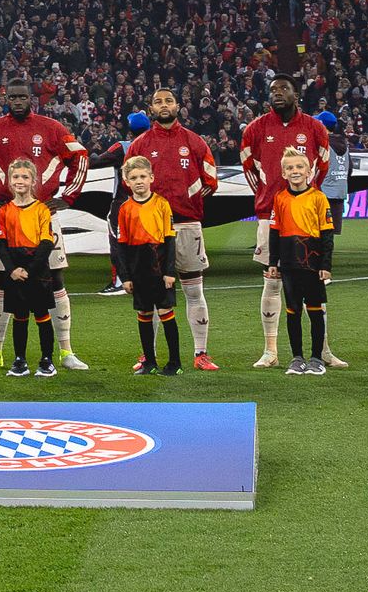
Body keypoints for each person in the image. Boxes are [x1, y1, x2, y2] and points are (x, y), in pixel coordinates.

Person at [0, 79, 81, 374]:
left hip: (44, 215)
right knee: (2, 283)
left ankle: (66, 351)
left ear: (31, 98)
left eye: (23, 96)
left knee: (55, 282)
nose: (18, 101)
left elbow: (79, 156)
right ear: (6, 98)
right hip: (7, 217)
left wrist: (68, 197)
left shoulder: (51, 128)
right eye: (13, 96)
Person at [240, 78, 340, 372]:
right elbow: (248, 165)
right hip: (271, 215)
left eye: (283, 89)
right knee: (272, 281)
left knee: (315, 286)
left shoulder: (313, 127)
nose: (277, 94)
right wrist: (266, 195)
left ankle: (323, 351)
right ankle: (270, 350)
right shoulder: (256, 128)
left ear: (296, 94)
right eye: (272, 90)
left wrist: (307, 195)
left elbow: (322, 164)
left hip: (307, 215)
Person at [137, 87, 222, 372]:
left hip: (186, 225)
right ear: (151, 107)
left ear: (178, 106)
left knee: (193, 289)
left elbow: (211, 179)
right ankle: (149, 355)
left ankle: (201, 353)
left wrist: (188, 198)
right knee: (155, 293)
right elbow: (129, 181)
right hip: (151, 229)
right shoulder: (141, 144)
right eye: (158, 101)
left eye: (168, 101)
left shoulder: (194, 142)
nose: (164, 105)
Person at [0, 155, 76, 376]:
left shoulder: (41, 210)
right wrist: (12, 270)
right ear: (9, 181)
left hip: (37, 270)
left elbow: (46, 244)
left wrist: (30, 269)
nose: (20, 181)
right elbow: (1, 244)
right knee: (20, 316)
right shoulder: (5, 211)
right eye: (16, 176)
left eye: (25, 177)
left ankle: (46, 360)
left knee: (41, 314)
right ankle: (20, 360)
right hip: (15, 269)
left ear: (33, 181)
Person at [265, 141, 338, 376]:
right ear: (283, 173)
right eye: (290, 168)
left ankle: (316, 358)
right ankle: (297, 357)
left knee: (316, 311)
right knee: (293, 311)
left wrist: (326, 265)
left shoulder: (318, 198)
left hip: (313, 264)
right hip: (288, 264)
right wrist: (272, 263)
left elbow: (327, 234)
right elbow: (274, 232)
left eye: (299, 167)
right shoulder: (280, 198)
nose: (295, 171)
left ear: (309, 172)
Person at [109, 151, 184, 376]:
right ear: (127, 182)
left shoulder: (161, 204)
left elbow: (170, 239)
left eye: (143, 176)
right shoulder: (124, 209)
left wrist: (170, 271)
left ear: (151, 178)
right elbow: (121, 246)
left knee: (165, 311)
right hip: (138, 269)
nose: (139, 181)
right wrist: (126, 276)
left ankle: (175, 363)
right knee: (143, 314)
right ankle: (149, 362)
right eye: (134, 178)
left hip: (160, 269)